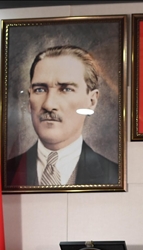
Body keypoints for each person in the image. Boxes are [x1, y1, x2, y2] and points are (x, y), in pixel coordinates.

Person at [7, 45, 119, 186]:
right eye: (40, 90)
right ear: (29, 100)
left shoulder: (113, 175)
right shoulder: (1, 174)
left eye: (66, 89)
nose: (48, 105)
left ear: (91, 101)